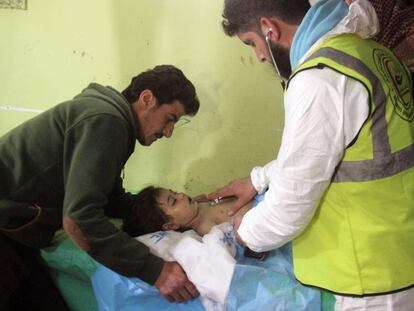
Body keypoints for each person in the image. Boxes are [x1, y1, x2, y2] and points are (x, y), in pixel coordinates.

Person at [207, 0, 414, 309]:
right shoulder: (368, 53)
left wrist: (244, 231)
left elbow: (289, 207)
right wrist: (258, 179)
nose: (260, 56)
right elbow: (344, 156)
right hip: (398, 253)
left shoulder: (320, 78)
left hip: (368, 276)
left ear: (269, 28)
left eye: (252, 44)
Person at [0, 65, 200, 310]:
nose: (168, 133)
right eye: (170, 119)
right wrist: (155, 270)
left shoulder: (110, 119)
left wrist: (168, 208)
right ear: (147, 99)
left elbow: (109, 199)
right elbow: (79, 219)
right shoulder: (106, 121)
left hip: (15, 228)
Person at [122, 186, 252, 237]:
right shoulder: (204, 227)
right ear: (171, 225)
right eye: (174, 201)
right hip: (260, 215)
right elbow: (232, 242)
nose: (182, 195)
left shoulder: (197, 205)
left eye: (175, 192)